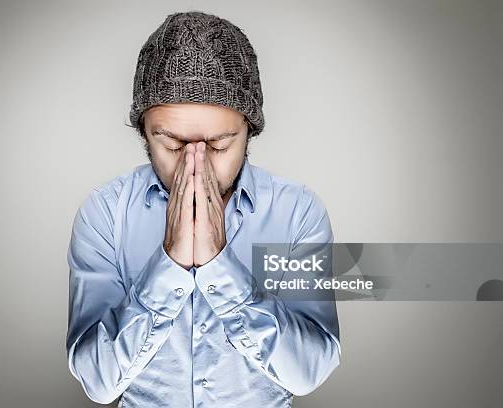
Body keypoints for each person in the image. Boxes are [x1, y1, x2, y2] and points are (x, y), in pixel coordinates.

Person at [65, 11, 341, 407]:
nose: (196, 164)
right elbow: (98, 382)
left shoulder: (296, 212)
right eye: (173, 144)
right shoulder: (105, 214)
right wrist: (170, 265)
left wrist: (220, 267)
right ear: (144, 131)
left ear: (249, 131)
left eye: (218, 144)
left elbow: (309, 371)